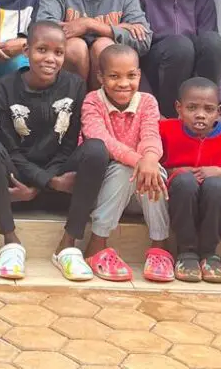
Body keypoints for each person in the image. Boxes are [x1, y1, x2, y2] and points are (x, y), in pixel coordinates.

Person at [0, 21, 109, 281]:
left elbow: (70, 144)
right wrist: (47, 182)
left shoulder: (74, 86)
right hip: (18, 183)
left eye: (58, 53)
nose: (50, 59)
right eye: (41, 50)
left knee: (95, 149)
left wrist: (47, 182)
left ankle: (68, 245)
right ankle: (11, 242)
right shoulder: (3, 88)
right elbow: (10, 149)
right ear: (26, 50)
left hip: (60, 179)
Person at [80, 44, 172, 283]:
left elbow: (151, 135)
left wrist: (150, 159)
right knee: (124, 169)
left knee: (157, 172)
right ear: (100, 77)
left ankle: (160, 247)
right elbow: (103, 140)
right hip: (105, 187)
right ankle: (96, 244)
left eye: (131, 76)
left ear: (139, 75)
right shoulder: (92, 102)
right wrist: (140, 161)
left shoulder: (147, 102)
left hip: (141, 187)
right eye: (114, 76)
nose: (123, 83)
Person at [160, 78, 221, 283]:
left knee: (216, 186)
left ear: (219, 111)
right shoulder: (165, 130)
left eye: (208, 109)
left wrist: (220, 173)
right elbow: (155, 167)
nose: (200, 115)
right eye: (192, 108)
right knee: (186, 182)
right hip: (179, 196)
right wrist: (178, 171)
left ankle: (209, 253)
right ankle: (186, 252)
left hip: (213, 198)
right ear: (178, 108)